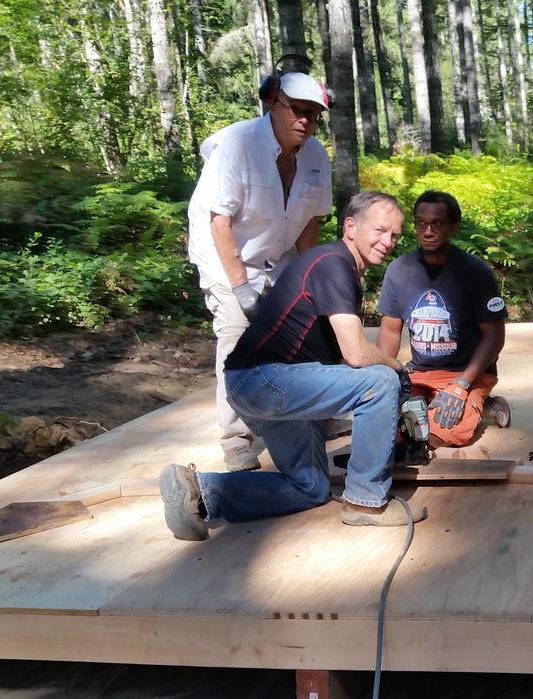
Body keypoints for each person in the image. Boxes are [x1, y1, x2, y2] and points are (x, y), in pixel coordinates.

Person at [157, 191, 425, 542]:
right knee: (381, 381)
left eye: (394, 235)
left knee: (310, 487)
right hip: (264, 381)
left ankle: (201, 493)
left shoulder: (339, 267)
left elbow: (337, 362)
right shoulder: (333, 263)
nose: (388, 241)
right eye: (380, 230)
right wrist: (397, 368)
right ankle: (365, 502)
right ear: (350, 226)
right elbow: (357, 355)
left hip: (268, 385)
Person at [186, 72, 333, 472]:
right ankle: (236, 440)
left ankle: (308, 412)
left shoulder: (316, 156)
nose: (305, 120)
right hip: (222, 252)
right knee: (237, 336)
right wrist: (241, 289)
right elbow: (221, 224)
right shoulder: (238, 147)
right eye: (297, 110)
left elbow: (308, 223)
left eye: (313, 114)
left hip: (276, 252)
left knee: (303, 328)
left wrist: (314, 280)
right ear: (274, 103)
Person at [376, 191, 512, 448]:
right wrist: (383, 376)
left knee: (445, 433)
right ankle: (475, 406)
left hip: (465, 373)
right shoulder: (399, 270)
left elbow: (494, 336)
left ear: (453, 227)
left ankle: (478, 401)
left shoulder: (475, 272)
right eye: (420, 223)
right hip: (419, 373)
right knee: (384, 424)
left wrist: (462, 384)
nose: (427, 231)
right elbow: (389, 332)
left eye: (437, 223)